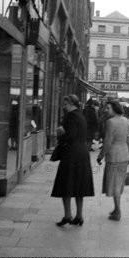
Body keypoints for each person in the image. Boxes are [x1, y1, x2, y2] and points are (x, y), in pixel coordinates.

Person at [51, 95, 95, 227]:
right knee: (79, 186)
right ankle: (79, 216)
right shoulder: (81, 116)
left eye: (65, 104)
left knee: (66, 185)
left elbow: (70, 135)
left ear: (70, 103)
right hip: (82, 153)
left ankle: (67, 215)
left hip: (71, 154)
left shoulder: (70, 116)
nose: (63, 107)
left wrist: (60, 132)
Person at [96, 100, 129, 221]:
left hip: (114, 156)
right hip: (124, 155)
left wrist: (100, 156)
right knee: (119, 183)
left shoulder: (110, 122)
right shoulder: (126, 121)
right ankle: (116, 209)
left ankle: (118, 212)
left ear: (114, 109)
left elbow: (107, 141)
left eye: (108, 108)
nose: (106, 110)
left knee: (115, 184)